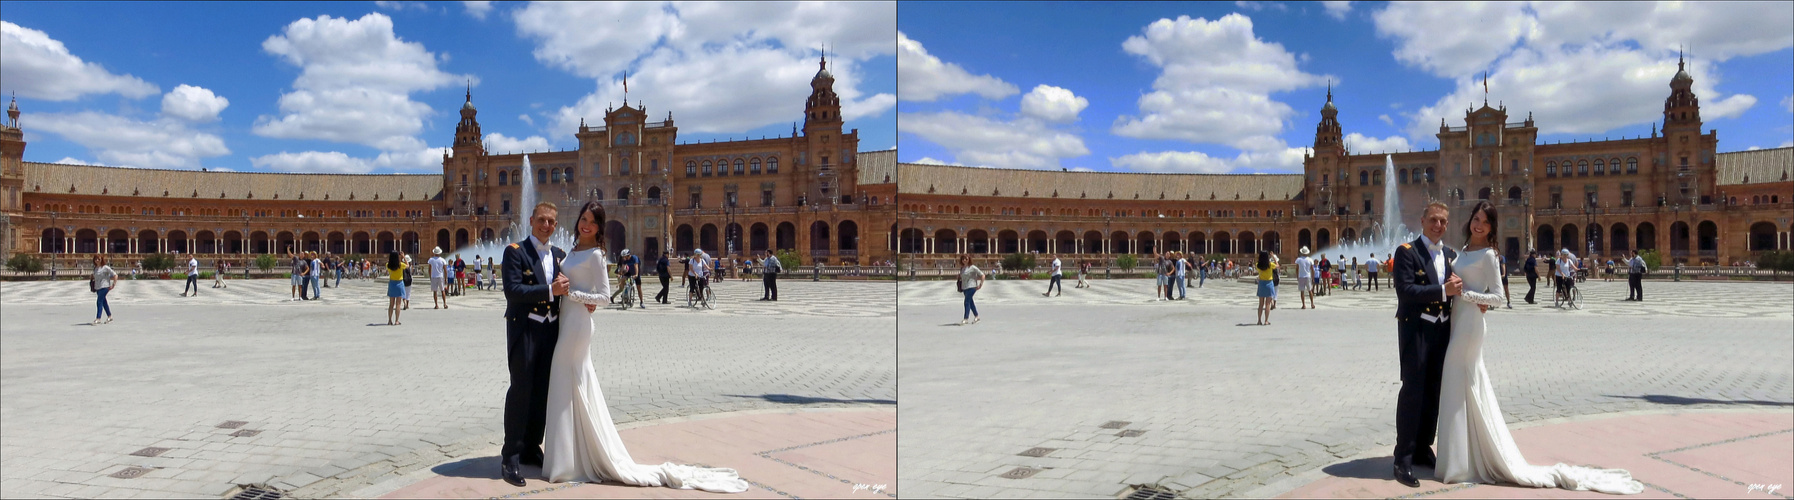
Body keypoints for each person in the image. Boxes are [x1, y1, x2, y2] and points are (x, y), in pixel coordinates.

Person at [1435, 201, 1643, 494]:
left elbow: (1496, 297)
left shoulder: (1491, 255)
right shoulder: (1463, 250)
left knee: (1460, 381)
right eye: (1476, 219)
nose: (1478, 225)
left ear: (1493, 227)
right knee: (1461, 386)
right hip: (1458, 321)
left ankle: (1460, 463)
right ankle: (1459, 458)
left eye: (1485, 221)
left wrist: (1466, 294)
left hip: (1470, 326)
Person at [539, 201, 748, 492]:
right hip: (567, 322)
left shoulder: (598, 255)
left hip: (578, 327)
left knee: (566, 379)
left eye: (593, 221)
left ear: (600, 227)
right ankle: (568, 458)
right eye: (583, 219)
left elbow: (604, 296)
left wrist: (570, 294)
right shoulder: (572, 250)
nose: (586, 224)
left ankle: (567, 462)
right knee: (569, 385)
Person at [498, 202, 571, 488]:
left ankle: (531, 446)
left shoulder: (560, 255)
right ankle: (511, 455)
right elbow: (512, 290)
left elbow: (569, 289)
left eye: (551, 222)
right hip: (526, 329)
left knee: (542, 391)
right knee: (521, 390)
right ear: (531, 220)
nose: (546, 225)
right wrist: (549, 290)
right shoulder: (515, 252)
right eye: (541, 220)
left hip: (551, 331)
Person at [1391, 201, 1463, 488]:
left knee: (1434, 392)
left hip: (1442, 332)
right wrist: (1442, 291)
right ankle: (1403, 458)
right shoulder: (1407, 252)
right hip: (1417, 332)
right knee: (1413, 392)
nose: (1438, 225)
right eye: (1433, 220)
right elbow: (1405, 290)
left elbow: (1459, 289)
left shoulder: (1450, 254)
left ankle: (1423, 447)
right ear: (1422, 221)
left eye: (1443, 221)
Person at [957, 254, 983, 325]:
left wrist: (980, 284)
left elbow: (982, 275)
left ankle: (966, 318)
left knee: (966, 302)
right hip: (964, 287)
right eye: (963, 259)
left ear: (969, 260)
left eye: (966, 259)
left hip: (972, 286)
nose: (965, 260)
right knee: (970, 302)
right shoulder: (962, 268)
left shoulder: (973, 267)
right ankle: (977, 316)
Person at [91, 255, 116, 325]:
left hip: (105, 287)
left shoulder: (105, 268)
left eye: (99, 259)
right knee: (104, 302)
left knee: (99, 302)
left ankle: (98, 318)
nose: (97, 260)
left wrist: (113, 284)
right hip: (98, 287)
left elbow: (115, 275)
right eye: (96, 259)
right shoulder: (95, 268)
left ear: (102, 260)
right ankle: (110, 316)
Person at [1254, 251, 1277, 325]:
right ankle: (1266, 320)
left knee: (1261, 303)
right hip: (1269, 283)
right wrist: (1273, 257)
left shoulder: (1258, 265)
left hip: (1261, 284)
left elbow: (1257, 265)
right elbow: (1277, 265)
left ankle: (1259, 320)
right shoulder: (1270, 264)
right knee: (1268, 304)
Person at [385, 252, 407, 325]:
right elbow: (408, 265)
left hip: (392, 283)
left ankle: (389, 320)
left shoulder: (388, 265)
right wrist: (403, 257)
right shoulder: (400, 265)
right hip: (399, 283)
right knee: (398, 303)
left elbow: (389, 264)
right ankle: (397, 320)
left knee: (391, 304)